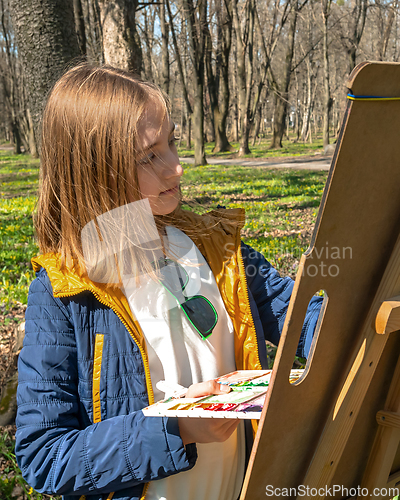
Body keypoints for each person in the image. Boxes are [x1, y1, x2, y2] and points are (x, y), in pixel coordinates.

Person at [15, 63, 322, 500]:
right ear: (95, 170)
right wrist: (175, 429)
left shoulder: (214, 247)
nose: (176, 167)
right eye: (149, 156)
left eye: (172, 143)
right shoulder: (65, 290)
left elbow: (303, 313)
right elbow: (43, 455)